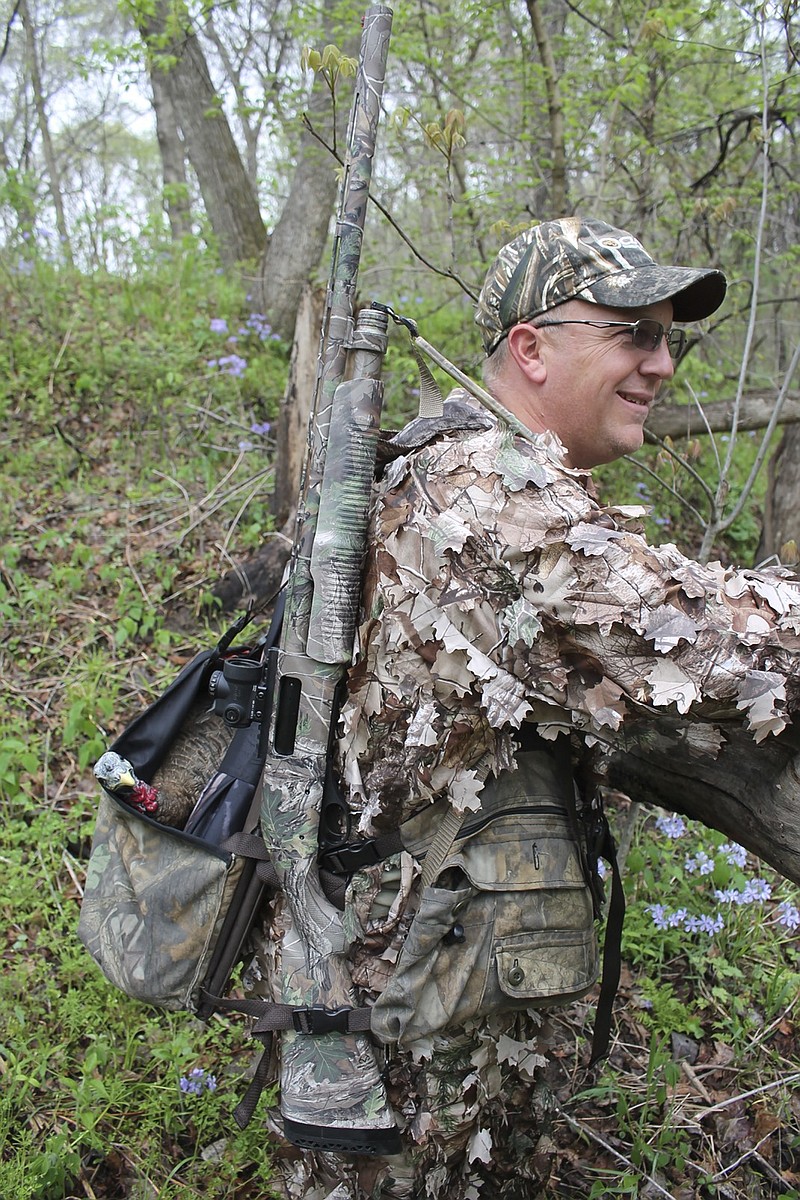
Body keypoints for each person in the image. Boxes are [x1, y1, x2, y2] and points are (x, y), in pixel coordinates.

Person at [249, 217, 800, 1199]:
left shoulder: (457, 473)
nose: (661, 363)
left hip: (433, 1013)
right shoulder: (487, 504)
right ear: (530, 349)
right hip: (417, 1054)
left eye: (668, 337)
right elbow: (707, 646)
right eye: (632, 334)